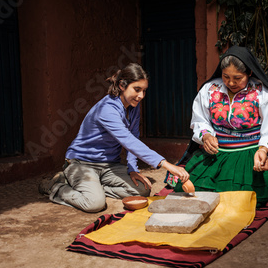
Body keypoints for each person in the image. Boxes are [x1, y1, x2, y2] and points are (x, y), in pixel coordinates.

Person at [39, 63, 189, 212]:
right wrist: (167, 165)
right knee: (94, 204)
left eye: (144, 91)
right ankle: (55, 187)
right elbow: (128, 141)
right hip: (82, 164)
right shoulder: (107, 109)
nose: (141, 96)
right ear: (122, 85)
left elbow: (134, 138)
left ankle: (94, 187)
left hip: (109, 165)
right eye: (137, 90)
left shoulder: (133, 107)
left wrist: (132, 169)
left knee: (142, 190)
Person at [168, 46, 268, 204]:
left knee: (238, 197)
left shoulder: (262, 95)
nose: (231, 82)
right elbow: (200, 120)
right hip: (217, 151)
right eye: (226, 77)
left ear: (249, 73)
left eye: (237, 78)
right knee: (189, 189)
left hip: (250, 153)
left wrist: (264, 149)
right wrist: (206, 135)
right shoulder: (209, 90)